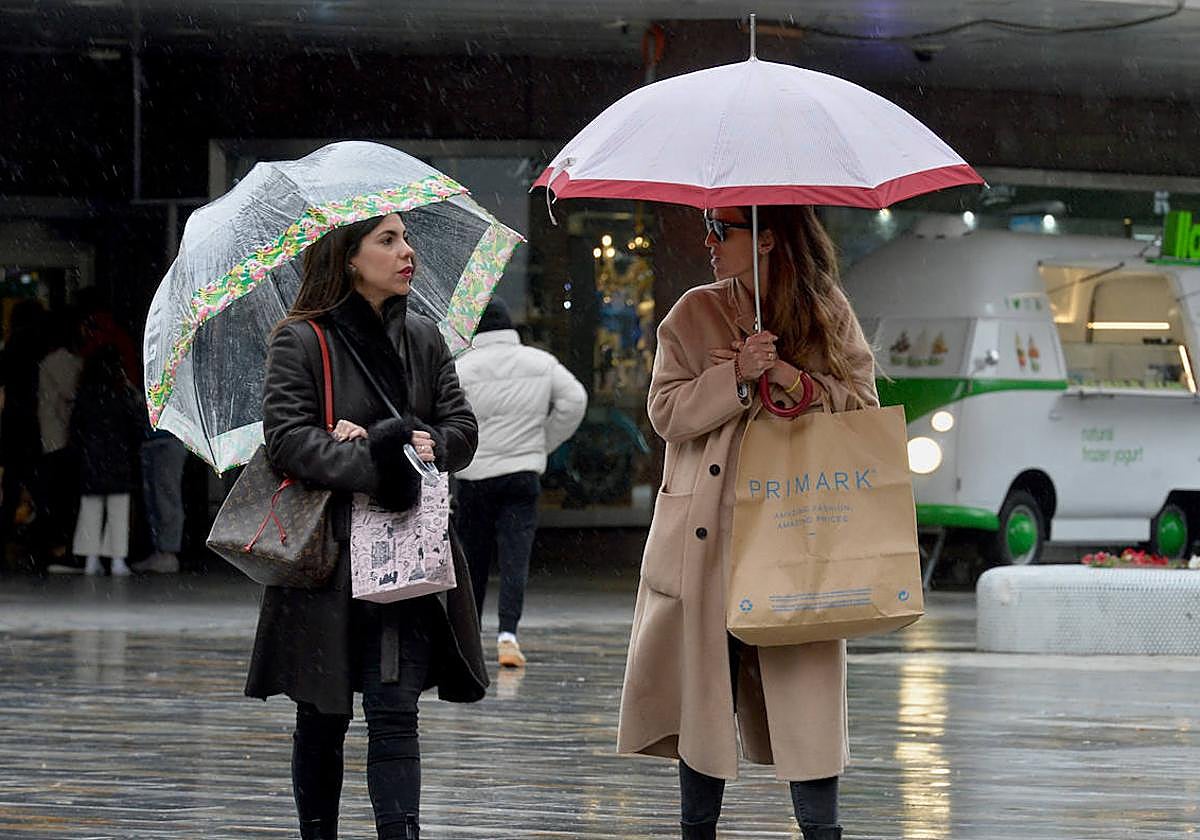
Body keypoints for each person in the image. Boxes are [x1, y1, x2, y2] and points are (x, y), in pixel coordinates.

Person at [617, 205, 878, 840]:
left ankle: (823, 832)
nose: (708, 241)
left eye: (722, 229)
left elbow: (862, 410)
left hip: (797, 533)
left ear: (766, 238)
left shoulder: (825, 310)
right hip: (707, 539)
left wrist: (787, 376)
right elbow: (667, 414)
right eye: (708, 226)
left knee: (807, 704)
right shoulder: (693, 311)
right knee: (703, 701)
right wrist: (735, 375)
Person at [244, 212, 488, 840]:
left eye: (405, 238)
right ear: (349, 257)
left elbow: (461, 430)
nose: (408, 252)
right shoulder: (301, 340)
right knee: (322, 714)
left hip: (405, 553)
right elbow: (288, 442)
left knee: (395, 710)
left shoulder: (424, 337)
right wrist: (378, 458)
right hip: (327, 561)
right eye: (388, 240)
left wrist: (421, 442)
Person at [453, 297, 587, 668]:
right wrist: (543, 441)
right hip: (522, 475)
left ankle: (468, 640)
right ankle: (508, 636)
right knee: (516, 557)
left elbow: (444, 416)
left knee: (473, 560)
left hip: (475, 477)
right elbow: (575, 400)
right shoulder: (540, 362)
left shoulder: (461, 368)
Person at [69, 345, 145, 577]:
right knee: (118, 511)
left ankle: (91, 559)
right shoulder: (122, 393)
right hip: (118, 459)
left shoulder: (85, 394)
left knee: (90, 510)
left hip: (91, 460)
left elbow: (75, 429)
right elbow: (136, 425)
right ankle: (117, 560)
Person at [37, 309, 84, 571]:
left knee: (54, 497)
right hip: (61, 438)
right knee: (63, 498)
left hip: (51, 438)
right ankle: (62, 549)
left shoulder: (48, 361)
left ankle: (51, 549)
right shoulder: (64, 361)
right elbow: (70, 392)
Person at [133, 428, 188, 574]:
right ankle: (162, 551)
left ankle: (167, 552)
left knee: (165, 498)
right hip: (154, 440)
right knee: (156, 500)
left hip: (166, 440)